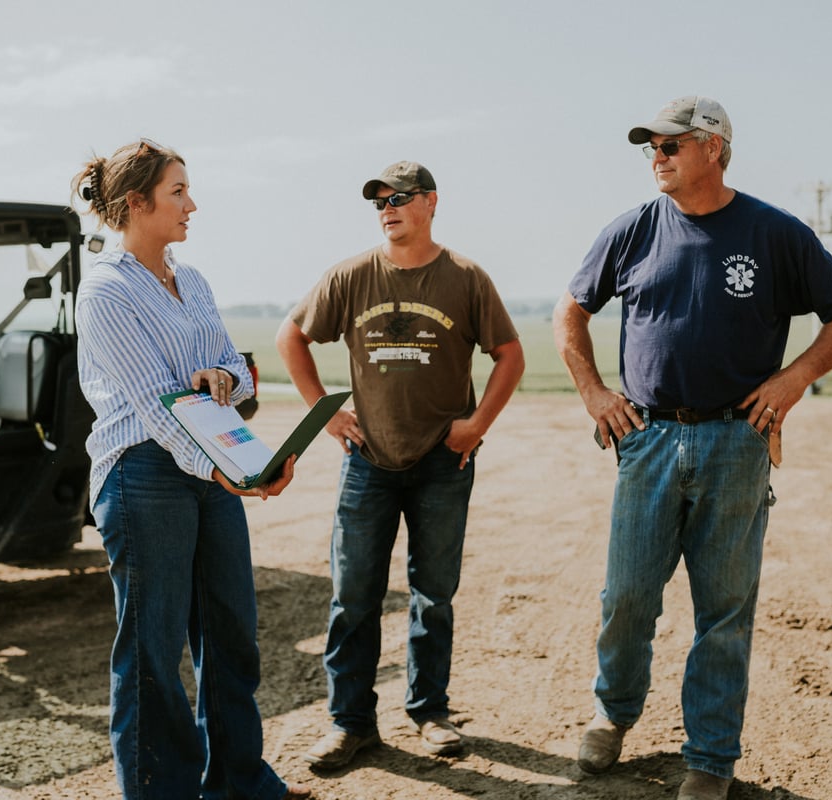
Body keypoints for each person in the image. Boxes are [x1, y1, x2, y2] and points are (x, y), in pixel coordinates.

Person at [553, 97, 832, 800]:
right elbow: (570, 310)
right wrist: (595, 394)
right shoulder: (634, 229)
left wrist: (794, 379)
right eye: (652, 148)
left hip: (738, 439)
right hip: (648, 438)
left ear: (715, 149)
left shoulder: (773, 233)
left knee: (724, 611)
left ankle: (710, 757)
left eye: (672, 145)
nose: (658, 157)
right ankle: (613, 713)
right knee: (628, 597)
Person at [71, 138, 310, 800]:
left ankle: (239, 782)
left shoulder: (193, 280)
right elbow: (153, 404)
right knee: (152, 654)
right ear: (135, 202)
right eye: (178, 192)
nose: (192, 205)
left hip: (208, 468)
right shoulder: (105, 293)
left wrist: (222, 379)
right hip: (142, 474)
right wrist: (225, 472)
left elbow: (234, 363)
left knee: (232, 635)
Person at [276, 161, 525, 769]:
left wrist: (477, 425)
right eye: (379, 201)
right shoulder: (352, 275)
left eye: (400, 197)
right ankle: (351, 724)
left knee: (433, 595)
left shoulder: (464, 278)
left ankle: (430, 713)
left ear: (431, 202)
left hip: (444, 461)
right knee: (353, 598)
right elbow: (292, 335)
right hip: (368, 462)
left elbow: (510, 354)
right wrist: (325, 414)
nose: (388, 207)